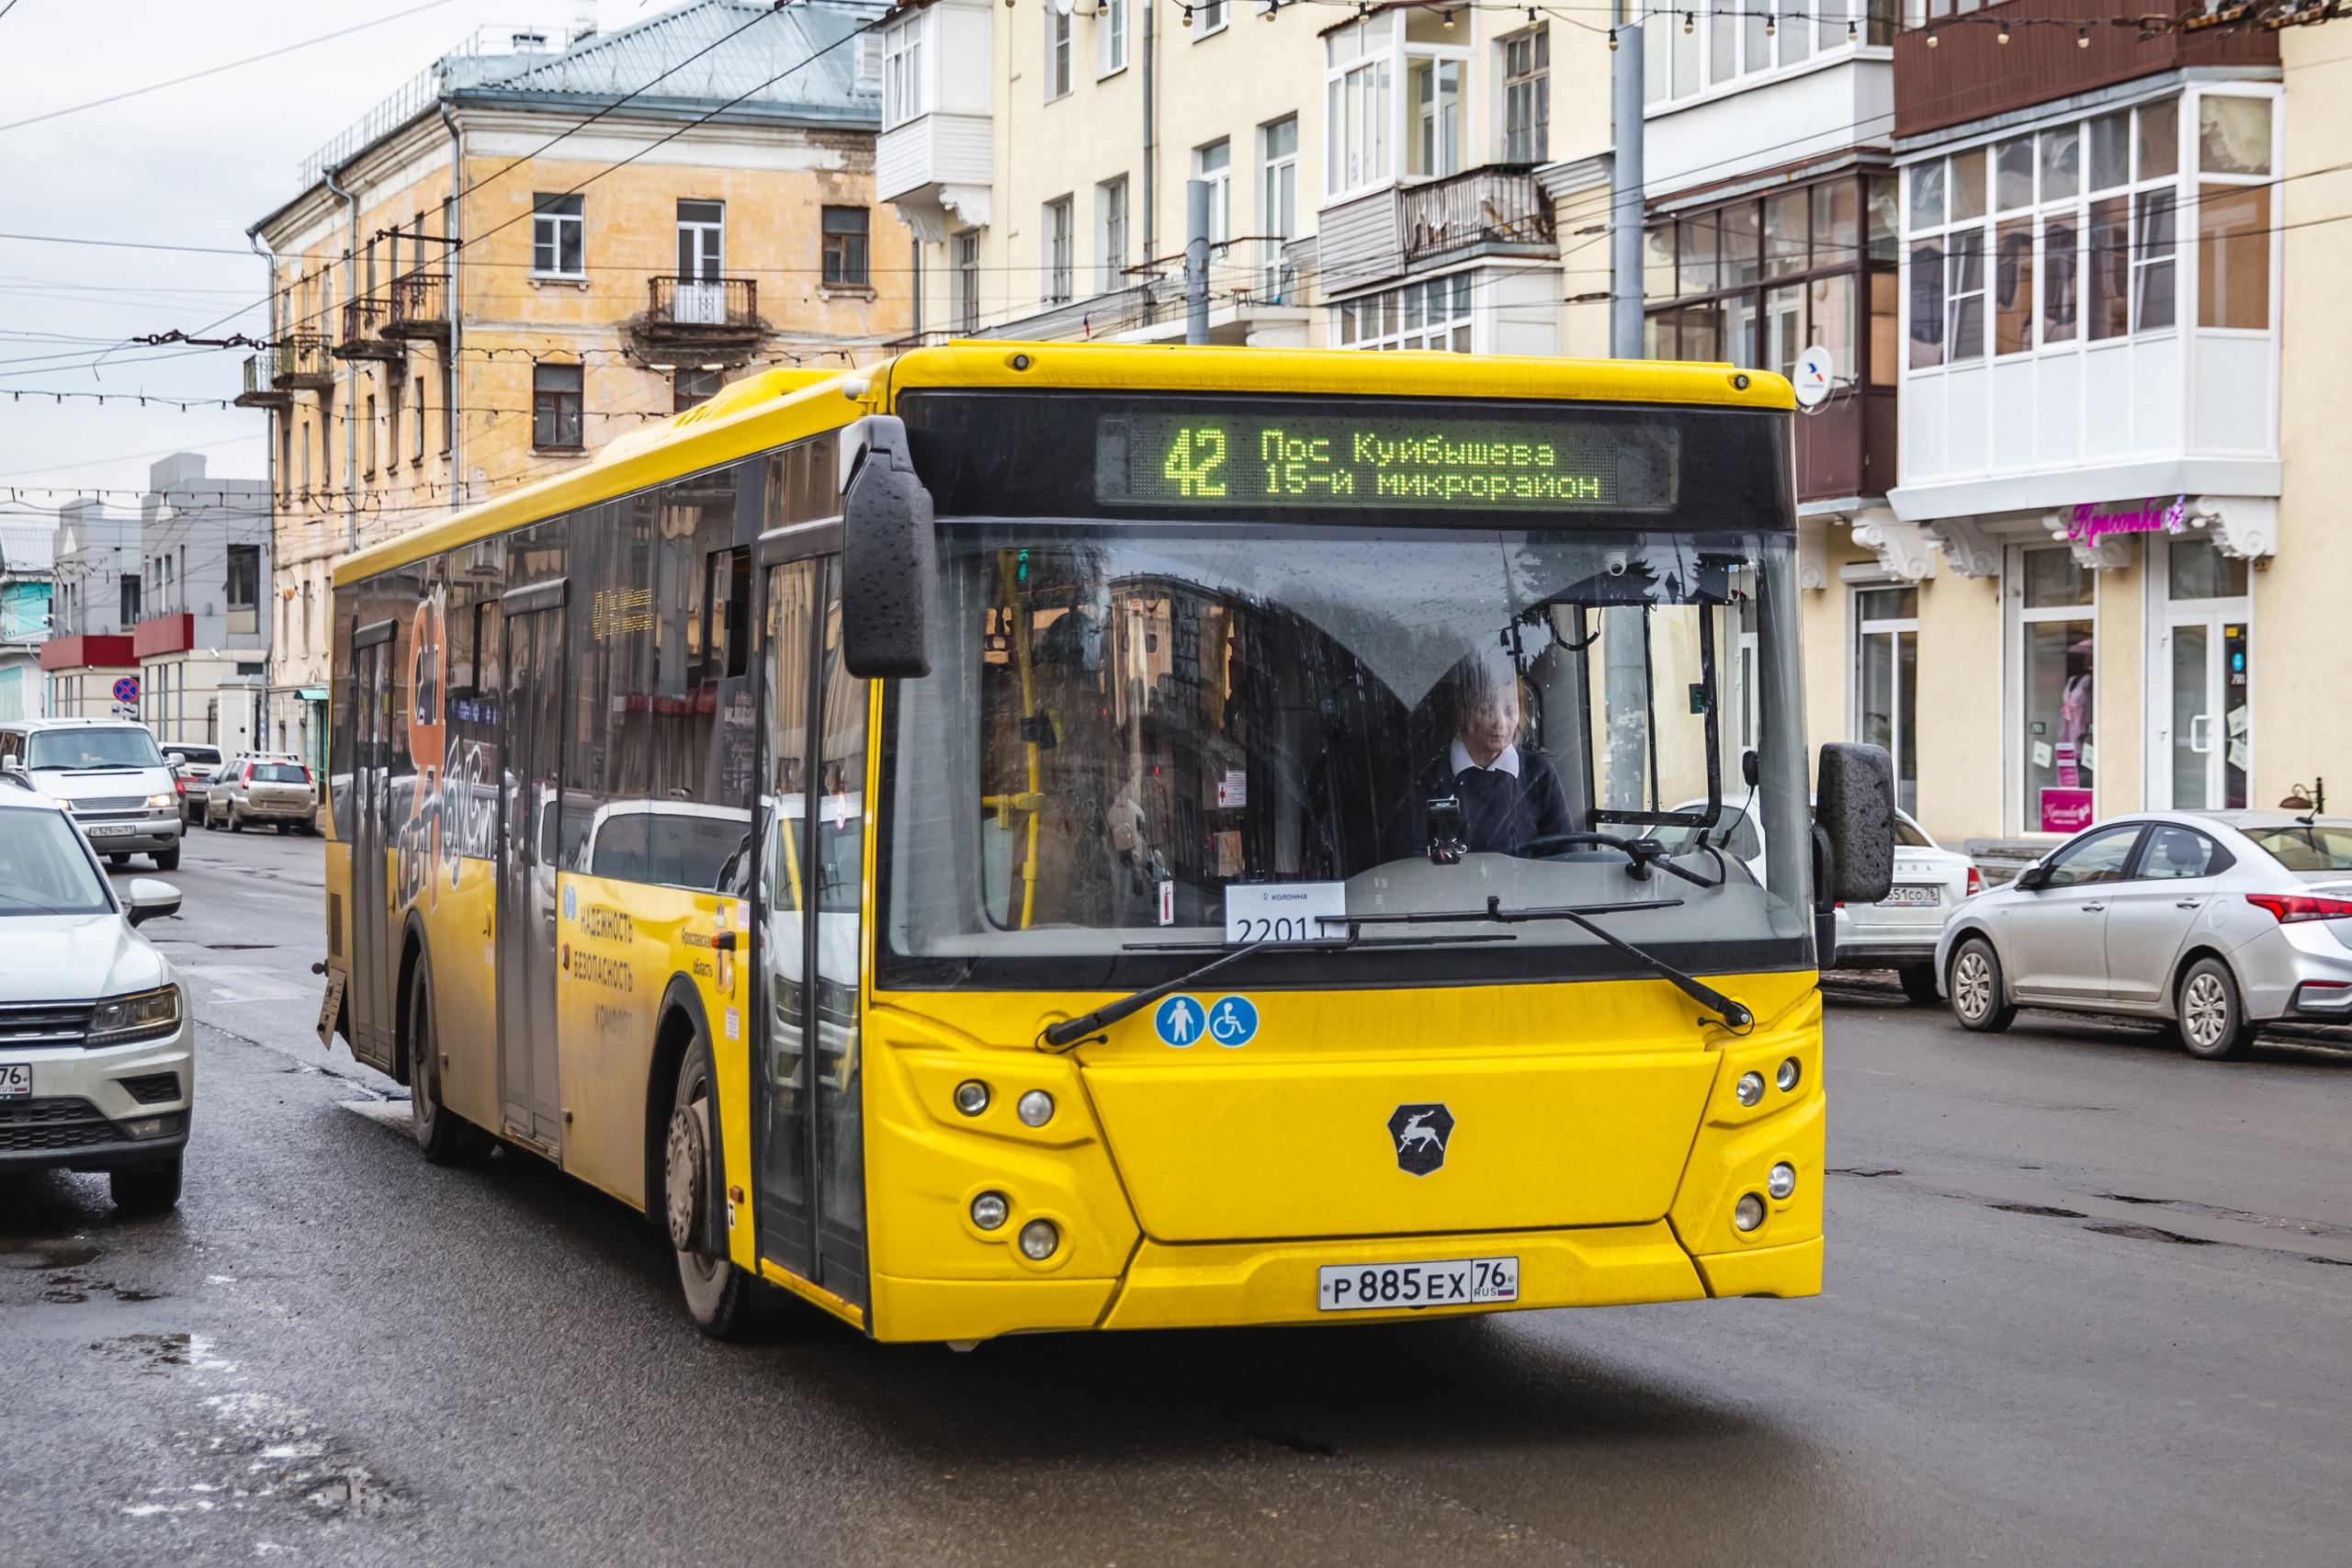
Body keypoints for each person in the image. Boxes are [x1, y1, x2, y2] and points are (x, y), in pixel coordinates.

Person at [1395, 649, 1574, 858]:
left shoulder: (1537, 773)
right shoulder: (1430, 778)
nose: (1500, 722)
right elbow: (1410, 861)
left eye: (1509, 710)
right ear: (1464, 711)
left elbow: (1565, 855)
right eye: (1487, 709)